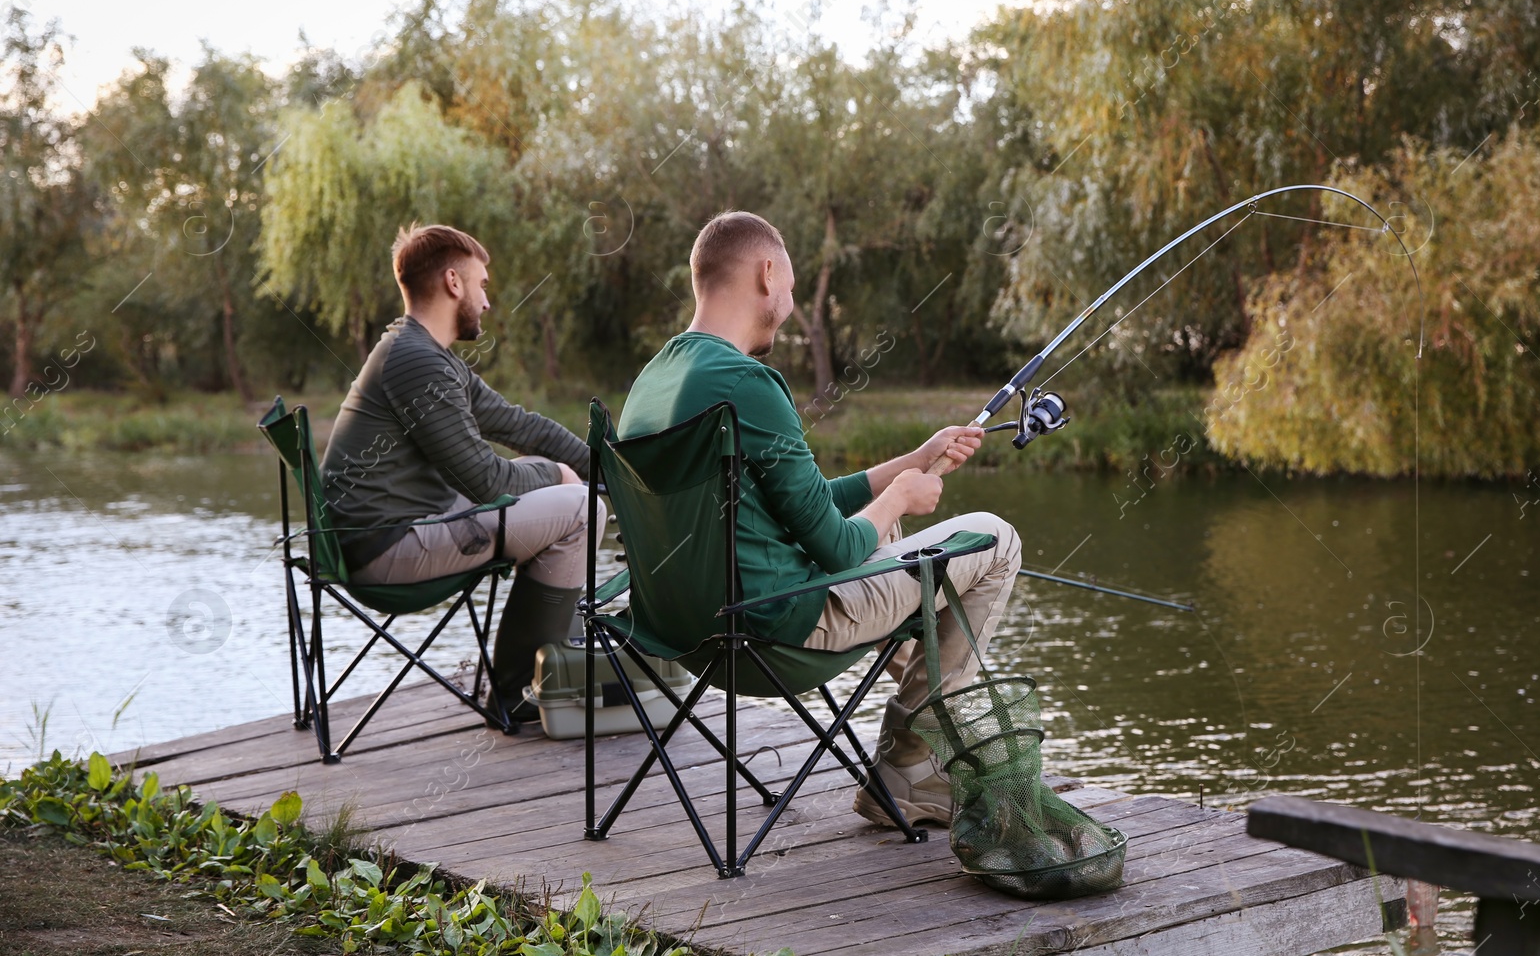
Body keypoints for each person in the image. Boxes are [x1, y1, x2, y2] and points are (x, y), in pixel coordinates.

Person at [617, 210, 1022, 828]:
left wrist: (911, 464)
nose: (790, 299)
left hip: (688, 637)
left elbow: (801, 507)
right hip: (778, 634)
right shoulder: (748, 383)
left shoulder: (652, 382)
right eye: (792, 285)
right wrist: (903, 498)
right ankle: (909, 763)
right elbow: (835, 550)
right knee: (995, 539)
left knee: (888, 531)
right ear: (767, 271)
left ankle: (909, 731)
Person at [320, 223, 596, 714]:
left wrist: (609, 466)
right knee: (582, 511)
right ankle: (518, 692)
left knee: (553, 475)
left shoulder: (424, 353)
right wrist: (560, 476)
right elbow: (487, 481)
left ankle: (542, 667)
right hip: (388, 548)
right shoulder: (416, 363)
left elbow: (520, 426)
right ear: (453, 283)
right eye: (482, 285)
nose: (486, 302)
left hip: (399, 529)